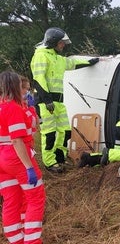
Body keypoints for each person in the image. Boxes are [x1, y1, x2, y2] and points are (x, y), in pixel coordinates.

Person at [30, 27, 100, 173]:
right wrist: (47, 99)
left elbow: (72, 63)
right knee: (49, 134)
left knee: (65, 131)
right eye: (61, 43)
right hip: (45, 102)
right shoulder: (41, 55)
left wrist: (91, 62)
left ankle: (59, 159)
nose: (63, 45)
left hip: (59, 102)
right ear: (53, 42)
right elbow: (38, 78)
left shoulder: (58, 58)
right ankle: (49, 163)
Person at [0, 71, 46, 244]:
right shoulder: (13, 108)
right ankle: (32, 241)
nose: (25, 90)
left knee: (11, 200)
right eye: (22, 86)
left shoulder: (1, 105)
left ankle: (17, 240)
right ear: (15, 86)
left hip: (2, 159)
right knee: (35, 198)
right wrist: (28, 167)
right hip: (16, 156)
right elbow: (17, 140)